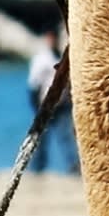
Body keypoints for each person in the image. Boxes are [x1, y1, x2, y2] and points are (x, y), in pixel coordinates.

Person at [27, 35, 77, 173]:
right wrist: (36, 106)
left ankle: (74, 166)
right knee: (40, 139)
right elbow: (34, 84)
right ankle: (37, 168)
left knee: (67, 137)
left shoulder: (62, 56)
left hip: (63, 105)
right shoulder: (41, 59)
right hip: (46, 104)